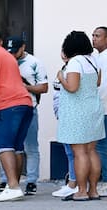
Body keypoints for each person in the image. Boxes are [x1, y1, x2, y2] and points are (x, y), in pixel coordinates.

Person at [0, 28, 33, 202]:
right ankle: (13, 186)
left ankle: (13, 186)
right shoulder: (8, 55)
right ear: (1, 42)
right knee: (16, 147)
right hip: (25, 103)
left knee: (3, 145)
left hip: (7, 105)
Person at [0, 36, 48, 196]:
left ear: (23, 47)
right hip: (7, 108)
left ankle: (31, 181)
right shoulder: (5, 60)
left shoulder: (35, 63)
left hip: (29, 108)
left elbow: (43, 88)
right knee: (7, 146)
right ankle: (6, 180)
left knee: (30, 146)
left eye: (15, 51)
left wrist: (24, 87)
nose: (12, 55)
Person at [57, 31, 105, 201]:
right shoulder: (93, 60)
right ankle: (93, 190)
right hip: (94, 109)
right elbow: (97, 82)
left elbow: (72, 87)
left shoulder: (76, 62)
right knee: (91, 151)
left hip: (78, 112)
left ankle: (81, 191)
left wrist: (61, 77)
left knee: (79, 153)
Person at [51, 51, 78, 197]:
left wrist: (61, 77)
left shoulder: (73, 69)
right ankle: (72, 181)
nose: (62, 53)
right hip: (62, 113)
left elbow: (71, 89)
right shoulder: (66, 67)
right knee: (69, 150)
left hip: (69, 114)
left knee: (73, 151)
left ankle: (74, 183)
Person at [92, 26, 107, 197]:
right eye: (93, 35)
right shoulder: (97, 58)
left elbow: (102, 86)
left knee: (102, 146)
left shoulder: (104, 58)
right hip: (101, 108)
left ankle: (105, 182)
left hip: (103, 108)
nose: (94, 38)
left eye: (98, 36)